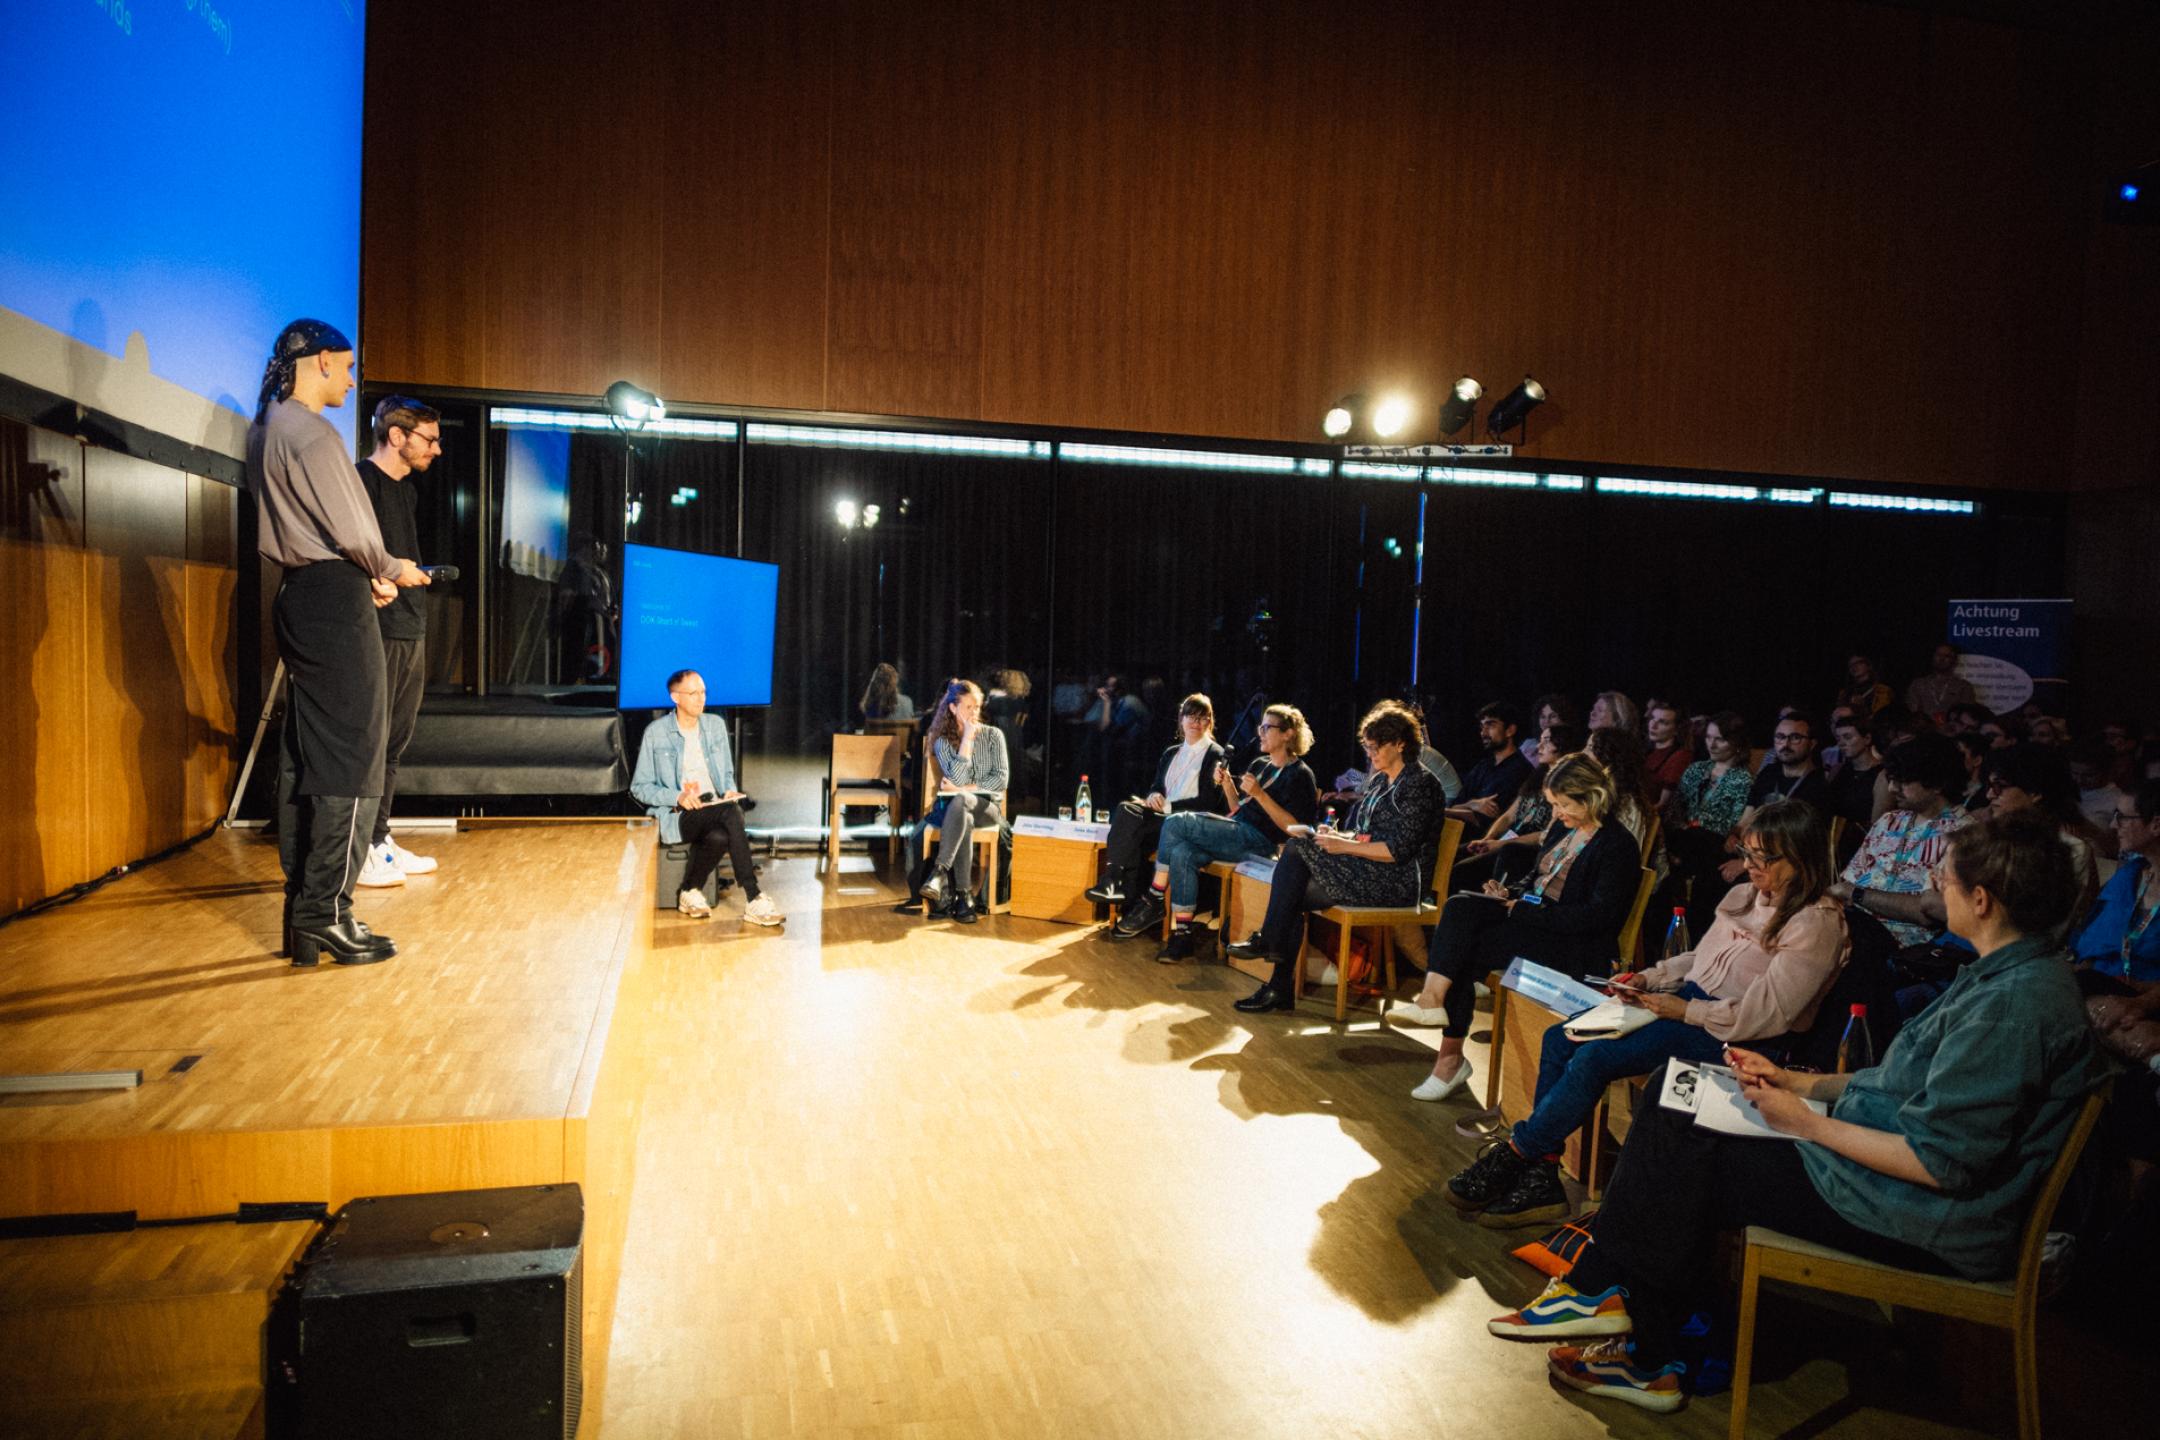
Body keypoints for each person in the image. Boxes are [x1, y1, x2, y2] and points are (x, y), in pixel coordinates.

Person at [1488, 809, 2109, 1415]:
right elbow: (1893, 1084)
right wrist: (1795, 1085)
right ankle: (1626, 1318)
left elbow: (1939, 1163)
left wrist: (1801, 1119)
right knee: (1676, 1097)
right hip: (1892, 1180)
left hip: (1928, 1219)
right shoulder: (2005, 976)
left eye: (1942, 878)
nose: (1931, 887)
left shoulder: (2014, 1005)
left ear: (1981, 900)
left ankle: (1636, 1331)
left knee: (1689, 1155)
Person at [1443, 801, 1847, 1229]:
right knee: (1563, 1037)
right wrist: (1651, 979)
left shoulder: (1816, 924)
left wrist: (1683, 1009)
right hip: (1693, 1006)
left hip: (1739, 1038)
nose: (1750, 867)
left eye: (1762, 858)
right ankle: (1542, 1173)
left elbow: (1766, 1016)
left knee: (1596, 1057)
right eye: (1747, 854)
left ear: (1801, 857)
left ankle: (1518, 1153)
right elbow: (1700, 959)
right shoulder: (1746, 896)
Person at [245, 319, 429, 967]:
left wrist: (362, 576)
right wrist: (387, 569)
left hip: (304, 594)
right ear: (321, 361)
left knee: (308, 756)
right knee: (355, 759)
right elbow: (354, 530)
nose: (352, 381)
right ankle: (328, 912)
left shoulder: (267, 426)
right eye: (346, 368)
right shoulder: (311, 432)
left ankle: (306, 917)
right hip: (333, 602)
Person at [1392, 753, 1643, 1100]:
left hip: (1574, 946)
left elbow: (1595, 918)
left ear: (1593, 798)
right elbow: (1537, 880)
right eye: (1554, 804)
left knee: (1464, 946)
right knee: (1461, 907)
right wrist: (1509, 892)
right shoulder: (1562, 828)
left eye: (1563, 805)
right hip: (1534, 920)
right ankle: (1434, 1007)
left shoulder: (1618, 846)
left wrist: (1521, 910)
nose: (1556, 814)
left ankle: (1447, 1053)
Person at [1229, 702, 1446, 1008]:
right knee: (1294, 880)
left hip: (1399, 881)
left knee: (1294, 854)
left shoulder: (1420, 784)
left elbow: (1398, 851)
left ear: (1400, 744)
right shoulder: (1381, 781)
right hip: (1367, 867)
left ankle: (1271, 953)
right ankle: (1277, 982)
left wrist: (1345, 846)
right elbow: (1362, 833)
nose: (1370, 754)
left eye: (1375, 747)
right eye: (1367, 746)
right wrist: (1338, 837)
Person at [1123, 703, 1317, 943]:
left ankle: (1154, 898)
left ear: (1288, 733)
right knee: (1183, 852)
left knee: (1174, 823)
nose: (1261, 733)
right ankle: (1182, 935)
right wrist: (1227, 784)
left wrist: (1260, 795)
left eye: (1267, 727)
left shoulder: (1299, 774)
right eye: (1261, 727)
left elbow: (1297, 829)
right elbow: (1238, 808)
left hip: (1262, 844)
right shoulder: (1260, 765)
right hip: (1238, 832)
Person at [355, 396, 444, 890]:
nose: (436, 449)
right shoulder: (359, 483)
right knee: (372, 741)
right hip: (379, 627)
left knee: (395, 743)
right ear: (397, 436)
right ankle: (361, 847)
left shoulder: (406, 493)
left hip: (411, 626)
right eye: (429, 439)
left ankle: (379, 839)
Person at [630, 669, 783, 927]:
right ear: (675, 697)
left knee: (721, 834)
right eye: (693, 693)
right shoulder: (656, 732)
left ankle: (690, 891)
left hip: (713, 806)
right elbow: (639, 787)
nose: (701, 699)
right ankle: (754, 896)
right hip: (676, 815)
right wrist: (677, 796)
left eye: (703, 692)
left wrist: (729, 791)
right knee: (730, 813)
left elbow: (725, 773)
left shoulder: (715, 726)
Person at [1086, 694, 1228, 912]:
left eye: (1202, 718)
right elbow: (1157, 787)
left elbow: (1208, 802)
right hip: (1162, 817)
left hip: (1186, 823)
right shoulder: (1172, 752)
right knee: (1128, 812)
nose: (1195, 723)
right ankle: (1116, 884)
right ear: (1181, 719)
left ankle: (1117, 885)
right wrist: (1153, 796)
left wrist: (1168, 807)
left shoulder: (1215, 753)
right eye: (1191, 716)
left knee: (1130, 821)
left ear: (1210, 722)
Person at [1831, 734, 1970, 948]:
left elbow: (1927, 913)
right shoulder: (1890, 821)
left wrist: (1856, 894)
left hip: (1904, 951)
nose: (1892, 789)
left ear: (1937, 783)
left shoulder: (1964, 834)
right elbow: (1847, 882)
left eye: (1902, 781)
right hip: (1850, 931)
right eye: (1891, 779)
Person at [917, 679, 1011, 924]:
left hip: (988, 809)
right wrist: (967, 740)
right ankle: (964, 897)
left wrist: (963, 788)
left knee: (961, 799)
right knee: (962, 813)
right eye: (968, 707)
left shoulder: (993, 736)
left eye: (976, 707)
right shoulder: (943, 742)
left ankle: (939, 873)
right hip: (961, 812)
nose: (973, 712)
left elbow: (1001, 780)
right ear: (952, 708)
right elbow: (956, 775)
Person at [1458, 721, 1583, 887]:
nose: (1539, 746)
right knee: (1456, 852)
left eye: (1546, 741)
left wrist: (1499, 844)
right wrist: (1487, 839)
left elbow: (1547, 834)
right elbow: (1509, 815)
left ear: (1563, 744)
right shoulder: (1537, 777)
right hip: (1506, 840)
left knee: (1461, 871)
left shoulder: (1567, 785)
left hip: (1522, 849)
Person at [1665, 712, 1755, 936]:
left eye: (1720, 739)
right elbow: (1676, 807)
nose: (1712, 744)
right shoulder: (1696, 770)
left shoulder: (1743, 780)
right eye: (1708, 737)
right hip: (1684, 838)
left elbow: (1733, 826)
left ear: (1736, 743)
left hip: (1714, 847)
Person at [1451, 701, 1534, 827]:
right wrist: (1473, 804)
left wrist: (1467, 807)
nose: (1483, 733)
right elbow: (1454, 806)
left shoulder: (1520, 770)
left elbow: (1486, 818)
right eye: (1482, 727)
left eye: (1490, 725)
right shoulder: (1482, 766)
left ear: (1510, 730)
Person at [1826, 709, 1884, 834]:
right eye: (1838, 738)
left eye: (1847, 737)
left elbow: (1877, 826)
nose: (1841, 743)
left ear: (1867, 739)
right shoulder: (1837, 770)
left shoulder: (1881, 775)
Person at [1642, 698, 1694, 809]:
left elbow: (1662, 804)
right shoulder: (1646, 751)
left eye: (1662, 722)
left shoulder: (1680, 756)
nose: (1653, 725)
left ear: (1676, 730)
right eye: (1652, 718)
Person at [1905, 642, 1977, 720]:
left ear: (1955, 661)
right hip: (1923, 729)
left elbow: (1966, 715)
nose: (1941, 659)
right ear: (1933, 657)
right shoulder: (1918, 684)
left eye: (1947, 656)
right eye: (1938, 655)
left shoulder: (1964, 686)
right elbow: (1913, 711)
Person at [1522, 694, 1581, 763]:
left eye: (1553, 716)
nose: (1547, 721)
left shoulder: (1575, 749)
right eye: (1543, 717)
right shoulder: (1528, 745)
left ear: (1565, 718)